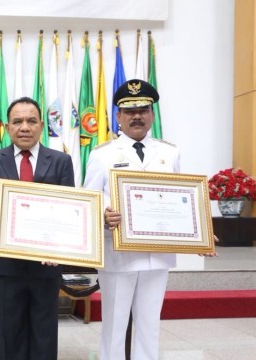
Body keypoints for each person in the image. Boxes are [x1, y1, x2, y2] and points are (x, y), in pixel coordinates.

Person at [83, 79, 178, 360]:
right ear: (118, 116)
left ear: (152, 114)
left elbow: (180, 198)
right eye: (129, 111)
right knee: (114, 324)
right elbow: (90, 200)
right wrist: (102, 216)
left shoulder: (170, 153)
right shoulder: (102, 155)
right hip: (118, 254)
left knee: (150, 324)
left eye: (143, 109)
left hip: (157, 254)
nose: (137, 115)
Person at [0, 97, 74, 360]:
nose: (24, 127)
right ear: (7, 127)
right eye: (17, 121)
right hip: (6, 265)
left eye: (31, 121)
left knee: (44, 334)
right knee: (11, 335)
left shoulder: (61, 161)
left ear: (41, 125)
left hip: (47, 264)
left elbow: (70, 208)